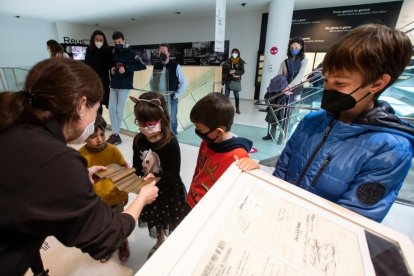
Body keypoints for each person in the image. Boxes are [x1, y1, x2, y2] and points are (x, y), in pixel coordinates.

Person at [240, 24, 414, 223]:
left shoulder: (390, 150)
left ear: (377, 83)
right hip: (280, 218)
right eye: (325, 81)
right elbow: (281, 175)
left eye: (339, 84)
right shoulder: (310, 122)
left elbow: (353, 221)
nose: (328, 90)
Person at [0, 58, 158, 275]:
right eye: (96, 107)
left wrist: (79, 176)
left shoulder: (13, 125)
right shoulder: (57, 161)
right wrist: (142, 197)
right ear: (81, 105)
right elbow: (106, 238)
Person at [130, 92, 190, 259]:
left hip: (169, 190)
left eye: (150, 123)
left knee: (171, 218)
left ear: (161, 118)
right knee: (156, 219)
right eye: (141, 123)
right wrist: (133, 177)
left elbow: (174, 172)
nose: (146, 129)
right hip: (150, 192)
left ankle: (175, 244)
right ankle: (159, 240)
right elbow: (137, 165)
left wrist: (154, 181)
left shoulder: (170, 141)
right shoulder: (138, 141)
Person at [187, 93, 259, 208]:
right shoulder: (207, 142)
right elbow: (198, 171)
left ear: (219, 131)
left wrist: (252, 167)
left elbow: (244, 191)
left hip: (208, 211)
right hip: (192, 201)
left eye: (199, 129)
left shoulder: (238, 156)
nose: (197, 131)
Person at [78, 113, 131, 263]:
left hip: (115, 198)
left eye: (102, 134)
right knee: (102, 227)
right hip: (96, 202)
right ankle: (108, 247)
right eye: (93, 136)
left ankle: (123, 243)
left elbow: (123, 173)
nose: (99, 139)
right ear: (84, 136)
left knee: (119, 223)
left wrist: (124, 194)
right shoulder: (80, 155)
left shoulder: (113, 150)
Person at [263, 37, 308, 141]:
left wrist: (289, 87)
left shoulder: (303, 61)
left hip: (294, 89)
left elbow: (300, 76)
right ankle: (271, 134)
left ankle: (282, 136)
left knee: (288, 113)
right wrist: (283, 87)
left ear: (301, 47)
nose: (294, 49)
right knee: (274, 110)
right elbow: (280, 75)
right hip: (282, 89)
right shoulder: (285, 62)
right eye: (292, 47)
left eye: (296, 47)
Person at [107, 31, 147, 145]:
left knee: (119, 109)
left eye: (119, 41)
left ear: (124, 40)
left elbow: (142, 66)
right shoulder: (115, 52)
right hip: (114, 84)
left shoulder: (131, 53)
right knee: (111, 108)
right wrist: (112, 69)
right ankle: (115, 133)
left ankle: (115, 134)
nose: (118, 44)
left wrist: (127, 68)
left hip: (124, 85)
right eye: (115, 42)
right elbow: (113, 64)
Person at [150, 43, 187, 135]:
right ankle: (163, 135)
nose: (162, 54)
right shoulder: (156, 65)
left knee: (173, 119)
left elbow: (184, 83)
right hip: (159, 98)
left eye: (164, 52)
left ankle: (174, 136)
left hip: (171, 98)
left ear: (169, 53)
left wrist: (177, 94)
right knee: (161, 117)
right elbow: (152, 81)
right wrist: (153, 93)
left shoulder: (175, 66)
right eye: (160, 52)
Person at [85, 30, 113, 114]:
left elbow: (110, 65)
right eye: (97, 40)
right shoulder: (89, 50)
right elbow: (87, 65)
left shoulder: (108, 50)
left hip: (104, 81)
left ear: (104, 41)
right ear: (93, 40)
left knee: (103, 102)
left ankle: (100, 124)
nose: (99, 42)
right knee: (95, 104)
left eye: (101, 40)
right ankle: (96, 124)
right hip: (92, 82)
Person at [222, 48, 245, 114]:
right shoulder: (228, 61)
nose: (234, 54)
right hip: (228, 80)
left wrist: (235, 71)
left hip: (236, 81)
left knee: (236, 96)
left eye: (236, 52)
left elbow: (242, 71)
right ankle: (226, 109)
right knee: (226, 96)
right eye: (233, 52)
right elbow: (223, 70)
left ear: (238, 54)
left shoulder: (240, 62)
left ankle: (237, 108)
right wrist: (229, 71)